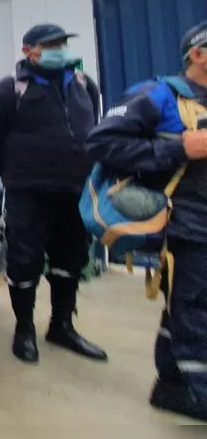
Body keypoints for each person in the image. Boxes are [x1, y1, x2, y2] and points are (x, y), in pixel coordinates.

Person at [86, 21, 207, 422]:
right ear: (197, 54)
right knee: (195, 307)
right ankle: (193, 391)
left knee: (186, 308)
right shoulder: (162, 94)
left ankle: (174, 383)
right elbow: (103, 142)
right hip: (187, 222)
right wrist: (178, 149)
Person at [0, 23, 107, 365]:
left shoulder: (84, 85)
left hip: (75, 191)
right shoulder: (8, 91)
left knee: (71, 259)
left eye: (62, 43)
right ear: (28, 51)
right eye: (49, 44)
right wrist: (18, 171)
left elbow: (93, 125)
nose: (58, 49)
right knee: (24, 261)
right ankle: (24, 331)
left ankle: (61, 326)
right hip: (28, 193)